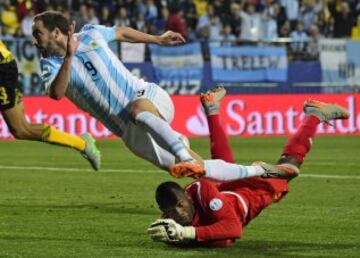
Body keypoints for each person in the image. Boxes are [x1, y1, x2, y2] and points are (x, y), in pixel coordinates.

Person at [32, 11, 281, 180]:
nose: (34, 41)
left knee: (137, 110)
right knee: (195, 170)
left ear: (56, 33)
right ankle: (256, 172)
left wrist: (157, 40)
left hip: (145, 95)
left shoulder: (90, 34)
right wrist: (69, 57)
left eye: (38, 34)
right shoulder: (49, 64)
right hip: (128, 131)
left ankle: (182, 152)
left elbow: (121, 32)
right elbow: (56, 94)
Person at [147, 87, 349, 248]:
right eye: (174, 211)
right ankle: (212, 109)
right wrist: (171, 237)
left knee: (289, 165)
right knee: (222, 167)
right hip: (224, 191)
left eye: (181, 205)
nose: (179, 213)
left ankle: (314, 115)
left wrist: (187, 234)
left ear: (187, 196)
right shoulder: (172, 218)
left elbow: (233, 229)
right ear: (165, 212)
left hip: (248, 195)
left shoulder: (200, 191)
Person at [0, 39, 100, 170]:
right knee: (21, 130)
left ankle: (82, 144)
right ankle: (82, 144)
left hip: (2, 69)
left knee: (21, 129)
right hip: (5, 65)